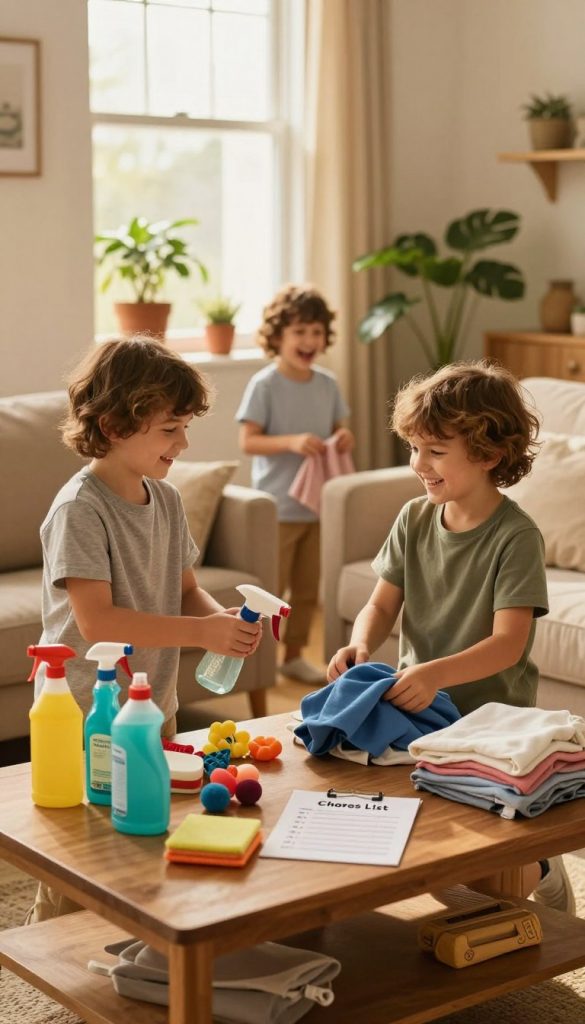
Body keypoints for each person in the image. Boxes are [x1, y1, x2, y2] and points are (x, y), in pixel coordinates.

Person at [27, 335, 261, 923]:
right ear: (113, 424)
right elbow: (97, 621)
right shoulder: (79, 509)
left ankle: (134, 946)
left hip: (154, 702)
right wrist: (199, 635)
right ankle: (47, 945)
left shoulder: (168, 500)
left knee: (147, 829)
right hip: (86, 710)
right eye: (169, 430)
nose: (183, 443)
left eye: (184, 428)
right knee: (82, 844)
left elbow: (186, 591)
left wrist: (217, 621)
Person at [328, 359, 574, 914]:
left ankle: (540, 861)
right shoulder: (414, 519)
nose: (418, 464)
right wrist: (362, 644)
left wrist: (433, 673)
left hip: (493, 720)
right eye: (414, 448)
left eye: (435, 452)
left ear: (488, 455)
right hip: (424, 713)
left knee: (487, 854)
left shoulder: (515, 538)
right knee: (432, 843)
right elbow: (379, 604)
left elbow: (508, 644)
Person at [237, 283, 354, 685]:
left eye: (316, 332)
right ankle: (260, 660)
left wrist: (343, 439)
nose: (309, 340)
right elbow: (248, 440)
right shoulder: (265, 385)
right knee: (273, 589)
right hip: (278, 507)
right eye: (300, 331)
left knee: (307, 591)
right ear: (278, 337)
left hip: (317, 505)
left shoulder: (327, 384)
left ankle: (292, 656)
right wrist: (290, 442)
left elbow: (341, 429)